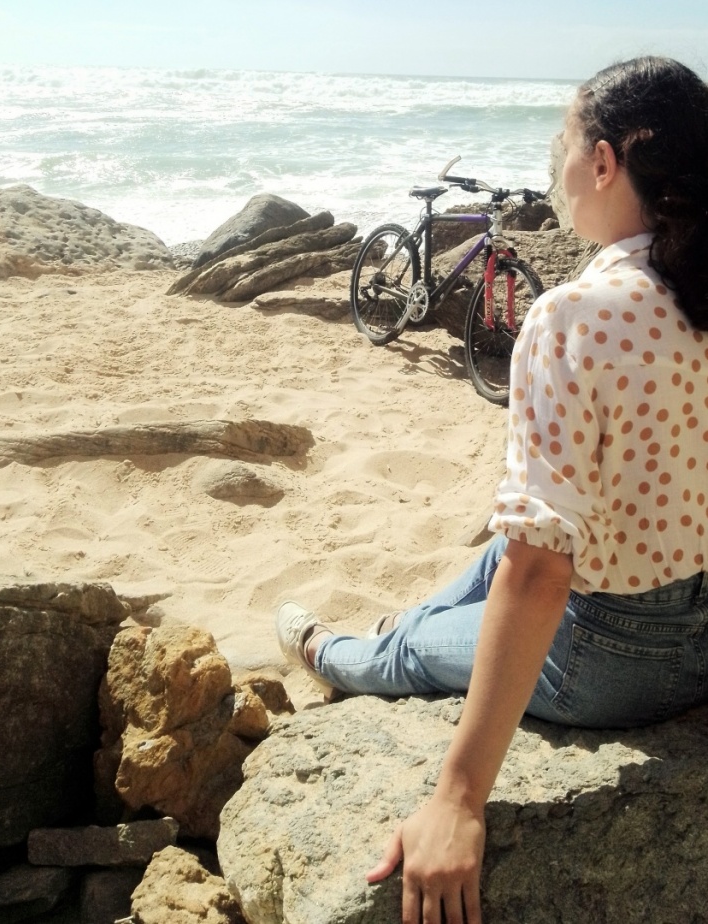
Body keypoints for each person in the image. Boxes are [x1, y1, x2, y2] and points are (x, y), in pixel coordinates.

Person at [275, 56, 708, 924]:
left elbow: (540, 574)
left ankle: (330, 651)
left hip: (613, 658)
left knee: (422, 648)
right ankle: (405, 622)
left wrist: (459, 798)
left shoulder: (575, 315)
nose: (555, 165)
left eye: (563, 143)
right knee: (493, 554)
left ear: (604, 162)